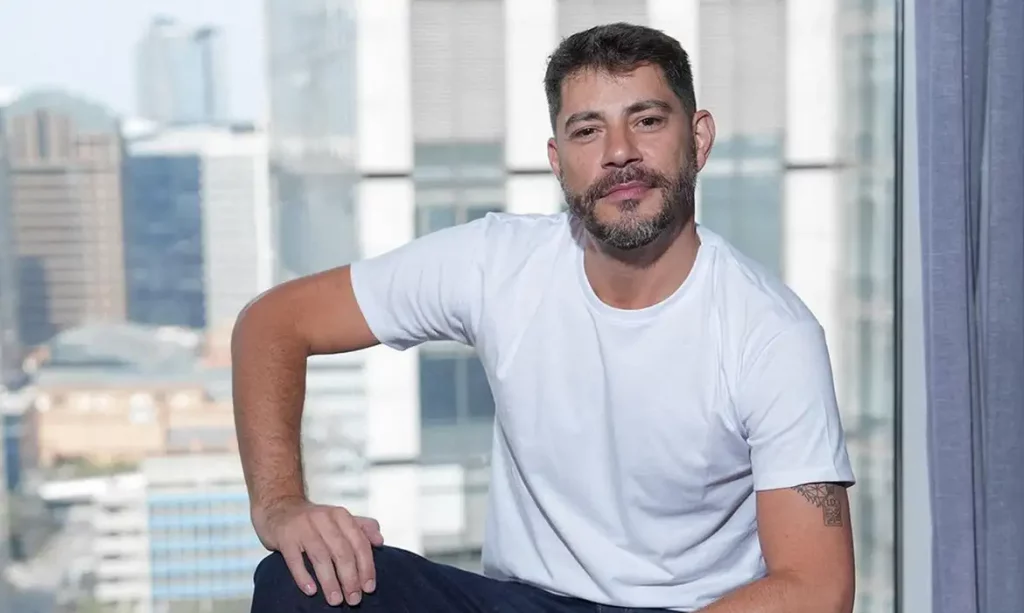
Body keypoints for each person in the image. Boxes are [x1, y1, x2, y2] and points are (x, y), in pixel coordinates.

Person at [235, 22, 856, 613]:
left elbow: (816, 587)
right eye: (588, 131)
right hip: (519, 600)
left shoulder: (771, 334)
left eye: (646, 120)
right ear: (558, 161)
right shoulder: (497, 263)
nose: (619, 153)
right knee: (302, 580)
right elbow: (273, 323)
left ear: (698, 139)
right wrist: (280, 505)